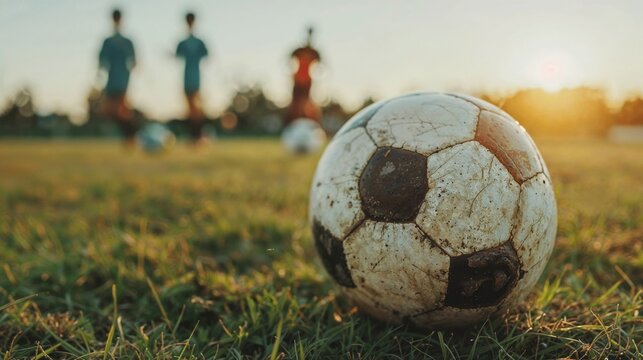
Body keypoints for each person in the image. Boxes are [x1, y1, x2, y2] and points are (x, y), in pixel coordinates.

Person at [99, 9, 137, 147]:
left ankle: (131, 136)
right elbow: (101, 61)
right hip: (111, 78)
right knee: (111, 110)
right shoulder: (108, 41)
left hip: (122, 79)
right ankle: (131, 135)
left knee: (121, 108)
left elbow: (134, 61)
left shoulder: (127, 41)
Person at [176, 12, 209, 144]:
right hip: (186, 77)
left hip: (195, 77)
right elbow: (178, 56)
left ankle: (199, 136)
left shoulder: (199, 42)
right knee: (190, 109)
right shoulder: (182, 42)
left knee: (196, 108)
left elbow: (206, 55)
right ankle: (195, 136)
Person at [285, 27, 321, 124]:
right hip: (297, 80)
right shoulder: (298, 51)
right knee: (295, 104)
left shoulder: (314, 52)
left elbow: (321, 64)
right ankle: (293, 122)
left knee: (306, 103)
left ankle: (308, 122)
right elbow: (289, 58)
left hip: (307, 81)